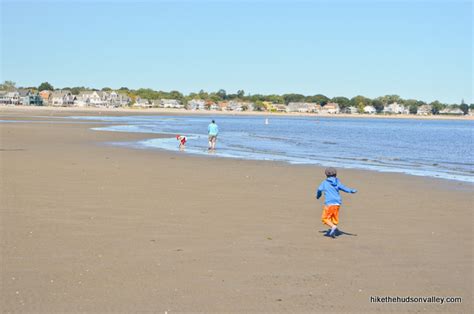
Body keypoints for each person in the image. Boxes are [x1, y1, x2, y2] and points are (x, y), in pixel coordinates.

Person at [316, 167, 357, 238]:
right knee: (334, 217)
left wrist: (318, 195)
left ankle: (333, 226)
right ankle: (334, 228)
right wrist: (351, 190)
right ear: (336, 175)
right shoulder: (337, 182)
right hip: (337, 203)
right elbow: (343, 188)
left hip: (329, 203)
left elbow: (319, 189)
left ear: (326, 175)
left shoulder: (324, 182)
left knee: (325, 218)